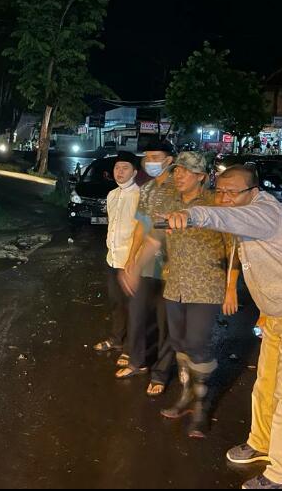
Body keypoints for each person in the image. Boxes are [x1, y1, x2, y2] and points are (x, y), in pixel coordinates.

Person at [162, 165, 282, 490]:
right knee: (267, 385)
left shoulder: (263, 213)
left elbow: (228, 219)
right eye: (221, 191)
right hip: (277, 315)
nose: (226, 199)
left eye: (233, 192)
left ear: (253, 192)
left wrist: (192, 215)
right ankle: (263, 443)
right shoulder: (252, 215)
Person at [122, 151, 239, 438]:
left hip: (207, 285)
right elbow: (155, 238)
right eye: (176, 171)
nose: (179, 175)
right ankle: (186, 396)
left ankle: (201, 403)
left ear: (201, 176)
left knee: (197, 343)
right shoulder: (171, 202)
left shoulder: (215, 202)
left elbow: (234, 246)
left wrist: (231, 287)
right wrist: (135, 266)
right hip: (175, 284)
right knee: (179, 343)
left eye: (186, 171)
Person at [115, 139, 177, 396]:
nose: (150, 161)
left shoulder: (179, 188)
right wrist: (131, 258)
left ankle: (161, 374)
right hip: (147, 264)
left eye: (156, 157)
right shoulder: (148, 188)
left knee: (166, 323)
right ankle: (136, 362)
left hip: (172, 267)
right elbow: (141, 225)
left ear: (169, 160)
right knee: (137, 314)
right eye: (147, 157)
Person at [93, 151, 141, 362]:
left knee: (132, 306)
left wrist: (134, 260)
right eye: (117, 168)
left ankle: (131, 348)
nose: (119, 172)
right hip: (112, 259)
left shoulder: (140, 196)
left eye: (125, 168)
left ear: (135, 172)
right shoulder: (112, 195)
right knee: (115, 303)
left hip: (131, 261)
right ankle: (117, 339)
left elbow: (142, 230)